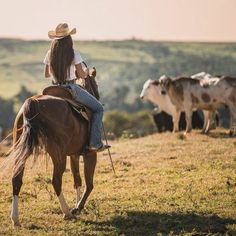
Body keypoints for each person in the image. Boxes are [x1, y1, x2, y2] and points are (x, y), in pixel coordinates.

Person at [43, 23, 110, 152]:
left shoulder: (50, 53)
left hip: (53, 88)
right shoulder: (73, 53)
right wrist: (85, 72)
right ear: (69, 39)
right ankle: (95, 143)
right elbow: (81, 76)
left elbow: (46, 74)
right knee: (99, 109)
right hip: (71, 88)